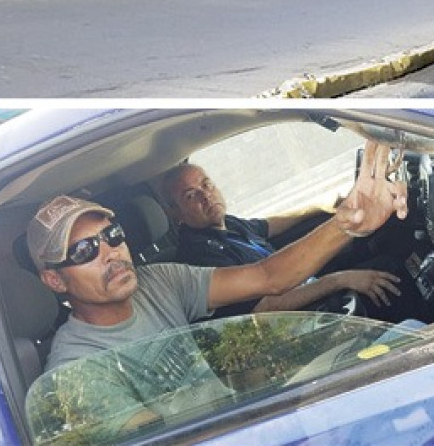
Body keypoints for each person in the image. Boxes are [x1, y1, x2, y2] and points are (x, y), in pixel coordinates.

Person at [28, 139, 408, 375]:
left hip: (246, 400)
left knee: (410, 334)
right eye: (83, 250)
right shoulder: (75, 368)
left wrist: (346, 222)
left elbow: (267, 276)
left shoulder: (158, 281)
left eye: (111, 235)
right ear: (55, 281)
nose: (109, 251)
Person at [162, 163, 416, 321]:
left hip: (308, 293)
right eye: (191, 195)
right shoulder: (199, 257)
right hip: (296, 323)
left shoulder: (227, 224)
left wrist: (318, 207)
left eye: (207, 185)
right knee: (390, 274)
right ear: (176, 213)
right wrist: (341, 279)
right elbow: (263, 310)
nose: (206, 196)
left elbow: (270, 224)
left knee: (383, 255)